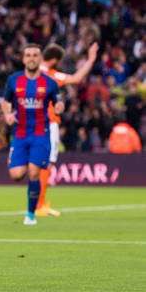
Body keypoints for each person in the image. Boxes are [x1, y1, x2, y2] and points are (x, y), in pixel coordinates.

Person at [2, 44, 63, 226]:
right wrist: (7, 114)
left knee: (34, 173)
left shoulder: (50, 83)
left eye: (35, 55)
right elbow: (5, 102)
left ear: (40, 59)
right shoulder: (13, 80)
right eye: (28, 55)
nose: (31, 58)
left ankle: (30, 214)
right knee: (16, 174)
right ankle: (24, 161)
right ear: (23, 59)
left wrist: (60, 107)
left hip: (40, 134)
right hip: (20, 134)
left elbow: (59, 102)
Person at [38, 42, 98, 217]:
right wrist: (91, 59)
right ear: (55, 60)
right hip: (49, 123)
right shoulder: (52, 74)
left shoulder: (34, 71)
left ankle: (39, 203)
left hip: (35, 122)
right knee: (47, 163)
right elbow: (76, 79)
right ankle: (39, 204)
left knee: (42, 162)